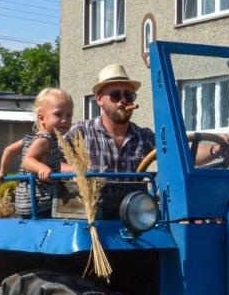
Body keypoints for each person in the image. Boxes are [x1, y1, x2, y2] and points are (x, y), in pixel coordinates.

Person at [66, 63, 154, 213]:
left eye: (129, 95)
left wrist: (209, 150)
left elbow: (177, 152)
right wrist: (76, 170)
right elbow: (49, 159)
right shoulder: (81, 131)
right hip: (93, 216)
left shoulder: (144, 136)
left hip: (134, 217)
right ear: (99, 99)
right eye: (115, 95)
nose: (123, 101)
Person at [14, 88, 74, 218]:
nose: (65, 120)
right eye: (58, 115)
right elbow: (27, 160)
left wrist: (1, 170)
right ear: (42, 118)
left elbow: (8, 150)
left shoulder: (33, 137)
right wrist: (42, 168)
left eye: (69, 115)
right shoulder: (45, 139)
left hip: (28, 199)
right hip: (39, 201)